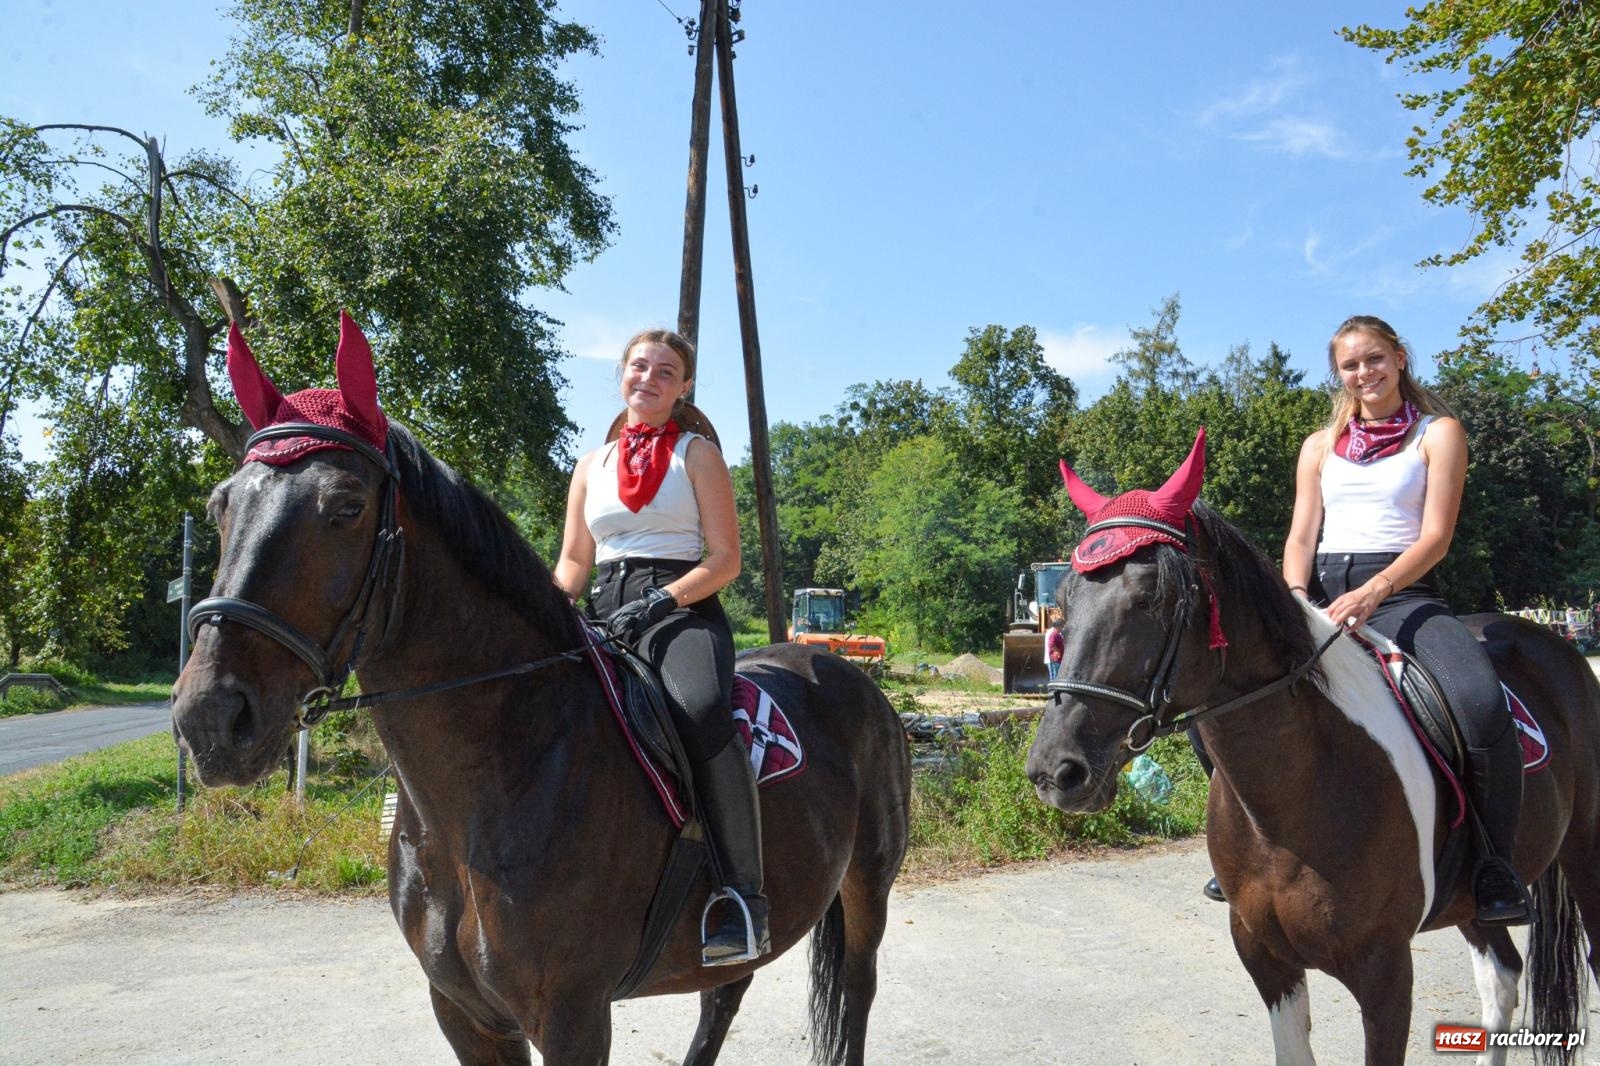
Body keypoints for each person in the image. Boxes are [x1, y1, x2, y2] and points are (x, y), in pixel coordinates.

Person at [1279, 313, 1529, 925]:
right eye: (1350, 364)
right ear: (1337, 373)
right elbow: (1302, 533)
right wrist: (1292, 595)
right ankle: (1255, 848)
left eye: (1374, 359)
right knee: (1224, 698)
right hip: (1319, 596)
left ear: (1400, 357)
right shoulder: (1319, 446)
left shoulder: (1437, 433)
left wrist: (1375, 590)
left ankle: (1495, 866)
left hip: (1403, 593)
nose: (1364, 373)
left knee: (1477, 701)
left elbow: (1438, 535)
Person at [552, 327, 769, 965]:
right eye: (639, 366)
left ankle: (742, 896)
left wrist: (662, 600)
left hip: (682, 608)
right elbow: (572, 562)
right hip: (602, 609)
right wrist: (543, 607)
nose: (649, 378)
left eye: (665, 371)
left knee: (700, 711)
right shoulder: (589, 465)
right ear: (621, 373)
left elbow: (726, 559)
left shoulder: (697, 454)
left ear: (685, 386)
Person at [1045, 615, 1066, 681]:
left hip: (1056, 659)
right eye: (1062, 626)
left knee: (1056, 676)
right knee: (1055, 677)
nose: (1062, 628)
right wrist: (1058, 652)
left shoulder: (1057, 634)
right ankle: (1053, 690)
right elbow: (1051, 645)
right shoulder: (1054, 634)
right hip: (1054, 659)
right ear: (1058, 626)